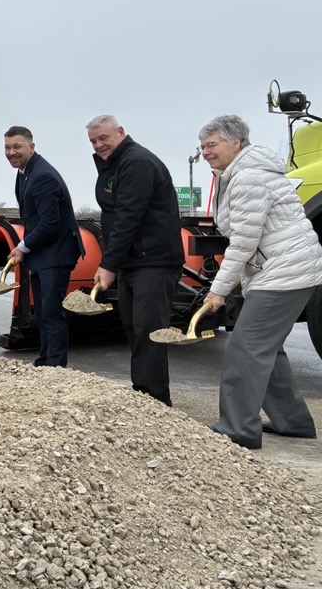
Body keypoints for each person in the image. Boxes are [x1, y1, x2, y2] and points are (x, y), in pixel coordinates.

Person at [198, 115, 321, 449]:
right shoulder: (239, 172)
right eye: (203, 146)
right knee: (267, 347)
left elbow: (243, 242)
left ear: (235, 142)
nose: (206, 152)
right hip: (286, 267)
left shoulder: (248, 177)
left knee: (246, 349)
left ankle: (238, 427)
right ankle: (292, 421)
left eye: (212, 145)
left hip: (286, 271)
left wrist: (219, 290)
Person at [87, 115, 183, 406]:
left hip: (152, 260)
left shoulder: (136, 162)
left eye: (104, 138)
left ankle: (152, 400)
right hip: (134, 261)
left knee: (149, 331)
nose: (99, 145)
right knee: (133, 328)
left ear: (121, 132)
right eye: (93, 141)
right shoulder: (115, 164)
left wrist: (108, 264)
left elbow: (129, 217)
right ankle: (146, 394)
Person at [4, 126, 85, 367]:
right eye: (7, 147)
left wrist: (22, 247)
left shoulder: (42, 176)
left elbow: (50, 223)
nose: (11, 152)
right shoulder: (24, 172)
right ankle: (45, 360)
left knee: (50, 312)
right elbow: (33, 219)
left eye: (17, 146)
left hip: (56, 253)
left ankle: (56, 366)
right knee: (42, 311)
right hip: (43, 253)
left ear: (32, 147)